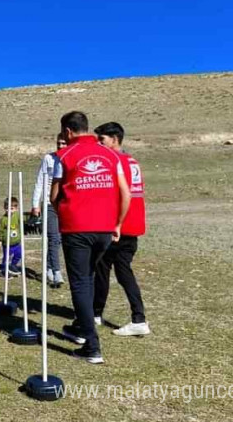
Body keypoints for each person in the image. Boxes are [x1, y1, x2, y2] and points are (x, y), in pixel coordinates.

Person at [50, 111, 130, 365]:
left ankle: (91, 345)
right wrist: (117, 223)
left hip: (77, 229)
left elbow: (54, 195)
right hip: (105, 229)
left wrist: (63, 211)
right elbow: (124, 192)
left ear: (68, 131)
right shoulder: (111, 155)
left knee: (80, 283)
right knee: (90, 276)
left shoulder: (64, 155)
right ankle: (80, 325)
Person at [92, 122, 150, 336]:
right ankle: (102, 313)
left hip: (120, 225)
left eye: (102, 140)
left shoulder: (113, 161)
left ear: (114, 139)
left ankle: (135, 318)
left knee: (109, 269)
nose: (99, 144)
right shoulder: (132, 160)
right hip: (132, 224)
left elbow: (116, 195)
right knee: (114, 268)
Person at [31, 133, 67, 288]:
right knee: (53, 237)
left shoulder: (72, 158)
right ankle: (57, 272)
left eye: (64, 143)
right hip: (48, 203)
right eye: (58, 143)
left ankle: (48, 268)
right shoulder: (49, 159)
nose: (60, 146)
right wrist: (35, 204)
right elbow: (40, 181)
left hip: (65, 205)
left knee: (58, 239)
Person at [0, 197, 22, 275]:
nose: (9, 211)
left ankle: (12, 266)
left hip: (17, 243)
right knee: (6, 258)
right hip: (7, 244)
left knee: (19, 254)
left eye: (11, 208)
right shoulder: (3, 219)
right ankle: (4, 270)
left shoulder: (17, 216)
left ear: (16, 208)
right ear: (4, 208)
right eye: (7, 208)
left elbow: (24, 219)